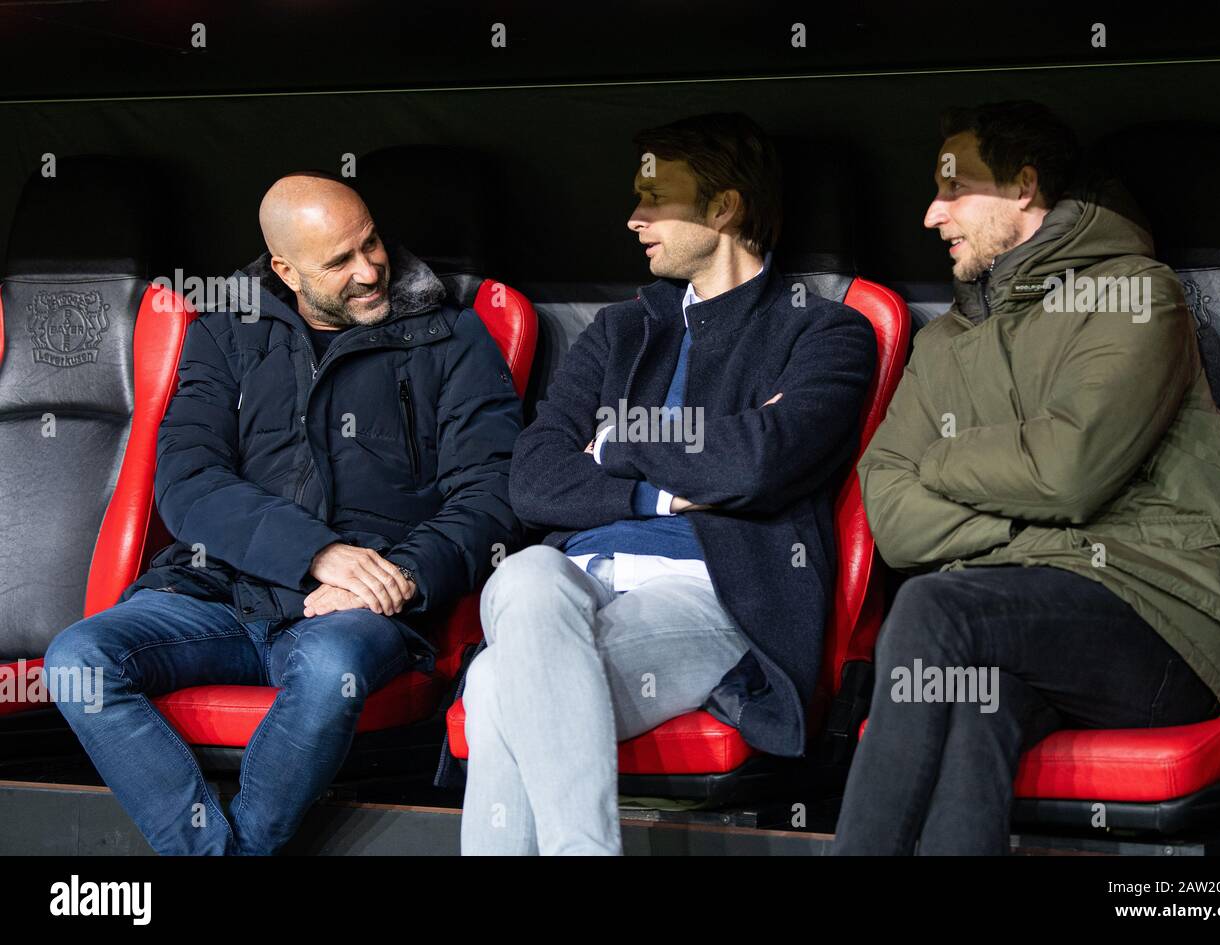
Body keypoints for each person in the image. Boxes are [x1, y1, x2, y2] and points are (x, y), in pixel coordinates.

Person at [45, 172, 522, 855]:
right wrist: (316, 553)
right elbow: (188, 480)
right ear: (285, 269)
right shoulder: (226, 333)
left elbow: (491, 494)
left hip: (364, 607)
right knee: (76, 658)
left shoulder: (453, 337)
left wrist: (402, 575)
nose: (369, 271)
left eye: (372, 243)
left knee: (330, 669)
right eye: (339, 262)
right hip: (219, 593)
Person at [832, 101, 1220, 855]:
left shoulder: (1134, 295)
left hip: (1160, 620)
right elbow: (892, 514)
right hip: (1013, 623)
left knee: (936, 609)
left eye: (954, 189)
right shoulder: (944, 344)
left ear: (1024, 187)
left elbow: (1068, 471)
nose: (932, 214)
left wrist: (941, 460)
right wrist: (1020, 521)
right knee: (973, 708)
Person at [457, 113, 877, 855]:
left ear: (723, 209)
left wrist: (617, 441)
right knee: (525, 572)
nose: (634, 218)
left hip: (711, 586)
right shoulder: (619, 329)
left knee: (496, 686)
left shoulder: (824, 332)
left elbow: (760, 461)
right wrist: (662, 488)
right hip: (570, 584)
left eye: (655, 201)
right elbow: (534, 478)